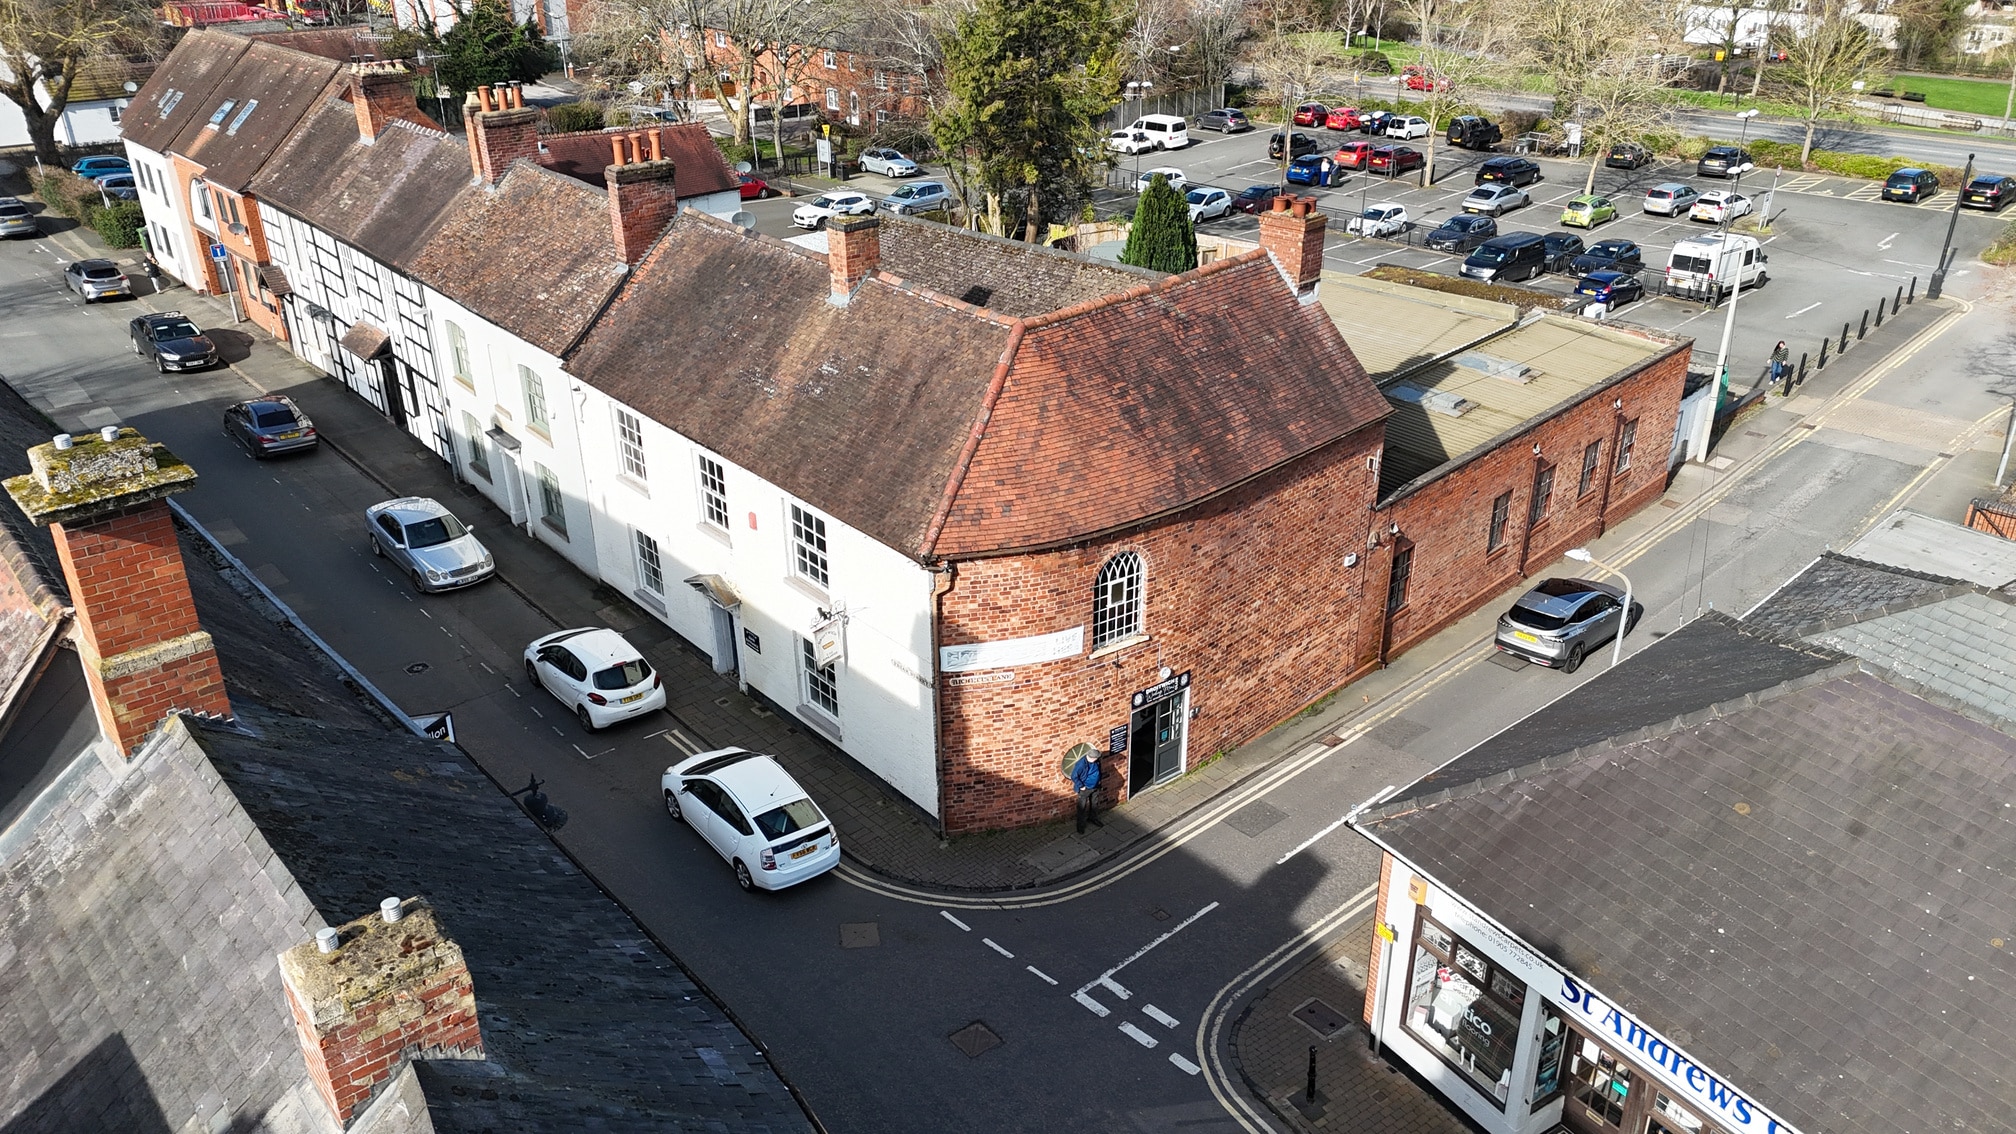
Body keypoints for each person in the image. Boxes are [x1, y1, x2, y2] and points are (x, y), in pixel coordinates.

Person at [1067, 743, 1103, 833]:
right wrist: (1081, 786)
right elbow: (1074, 776)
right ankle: (1080, 826)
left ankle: (1093, 818)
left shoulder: (1096, 762)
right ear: (1092, 758)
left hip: (1095, 786)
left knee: (1094, 803)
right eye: (1096, 758)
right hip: (1085, 788)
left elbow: (1099, 770)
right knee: (1082, 807)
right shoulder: (1081, 764)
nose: (1098, 759)